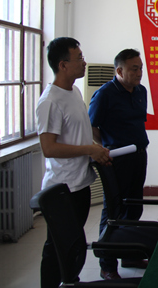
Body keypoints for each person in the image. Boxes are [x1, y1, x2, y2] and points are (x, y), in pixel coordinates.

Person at [36, 37, 111, 287]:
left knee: (74, 244)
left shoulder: (74, 91)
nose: (84, 62)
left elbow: (79, 134)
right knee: (56, 247)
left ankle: (70, 281)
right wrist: (89, 150)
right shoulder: (50, 101)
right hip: (62, 188)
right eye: (79, 58)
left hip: (80, 183)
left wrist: (95, 148)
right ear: (63, 65)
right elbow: (49, 148)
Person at [88, 49, 149, 278]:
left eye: (141, 68)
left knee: (134, 207)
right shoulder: (105, 94)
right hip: (116, 159)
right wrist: (107, 147)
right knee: (114, 210)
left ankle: (129, 254)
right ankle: (107, 265)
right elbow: (92, 126)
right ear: (120, 71)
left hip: (139, 155)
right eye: (134, 69)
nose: (139, 73)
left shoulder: (141, 91)